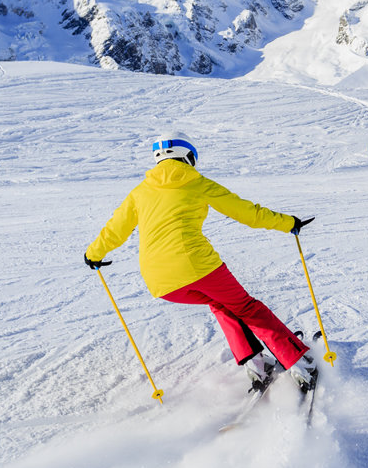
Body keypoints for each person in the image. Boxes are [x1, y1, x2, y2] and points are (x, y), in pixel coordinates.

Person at [84, 131, 317, 393]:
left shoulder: (140, 192)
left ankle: (255, 363)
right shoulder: (198, 183)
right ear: (187, 156)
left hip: (159, 281)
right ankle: (298, 362)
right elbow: (247, 213)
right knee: (247, 308)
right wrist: (289, 223)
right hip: (198, 267)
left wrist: (94, 254)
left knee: (221, 303)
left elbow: (115, 229)